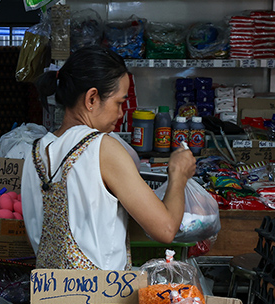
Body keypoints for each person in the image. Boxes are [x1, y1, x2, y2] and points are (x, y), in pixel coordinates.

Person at [21, 46, 197, 271]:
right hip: (99, 297)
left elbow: (34, 235)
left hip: (48, 297)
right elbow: (165, 229)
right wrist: (178, 175)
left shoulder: (33, 153)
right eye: (119, 103)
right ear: (92, 98)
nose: (121, 113)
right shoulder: (102, 148)